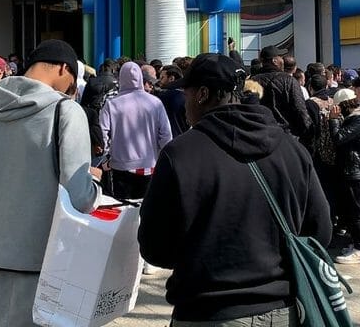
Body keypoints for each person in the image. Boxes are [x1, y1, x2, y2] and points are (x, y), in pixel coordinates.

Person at [138, 53, 332, 323]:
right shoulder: (292, 149)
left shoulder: (179, 155)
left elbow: (155, 247)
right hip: (282, 310)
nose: (184, 105)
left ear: (203, 94)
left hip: (208, 311)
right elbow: (320, 232)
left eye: (187, 94)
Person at [0, 39, 101, 325]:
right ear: (65, 69)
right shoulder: (65, 112)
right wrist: (94, 184)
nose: (71, 90)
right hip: (46, 261)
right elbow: (79, 198)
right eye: (73, 82)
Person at [99, 61, 172, 200]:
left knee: (124, 209)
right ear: (140, 78)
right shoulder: (155, 103)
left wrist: (107, 155)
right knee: (147, 208)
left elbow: (103, 133)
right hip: (150, 165)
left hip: (120, 166)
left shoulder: (112, 104)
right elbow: (166, 135)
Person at [329, 78, 360, 265]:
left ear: (359, 91)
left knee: (357, 210)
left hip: (355, 168)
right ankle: (356, 244)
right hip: (352, 167)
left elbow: (339, 138)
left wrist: (333, 122)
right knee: (353, 209)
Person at [251, 45, 312, 140]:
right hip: (286, 137)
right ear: (274, 61)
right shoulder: (289, 81)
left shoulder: (252, 81)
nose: (283, 60)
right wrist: (307, 134)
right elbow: (300, 111)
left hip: (259, 136)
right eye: (281, 57)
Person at [157, 65, 188, 137]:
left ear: (171, 78)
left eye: (162, 77)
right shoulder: (187, 96)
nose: (159, 80)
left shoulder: (163, 97)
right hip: (184, 138)